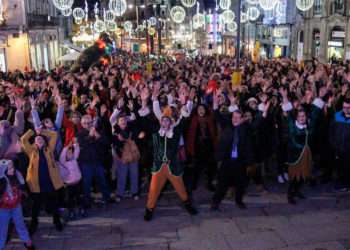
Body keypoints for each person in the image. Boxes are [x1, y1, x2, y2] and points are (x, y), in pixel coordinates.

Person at [143, 90, 198, 221]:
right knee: (153, 190)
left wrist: (187, 102)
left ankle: (188, 205)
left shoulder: (176, 132)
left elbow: (185, 120)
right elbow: (145, 121)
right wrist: (147, 102)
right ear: (161, 122)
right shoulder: (157, 133)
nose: (165, 123)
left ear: (171, 123)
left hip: (173, 166)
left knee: (181, 188)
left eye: (167, 121)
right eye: (163, 121)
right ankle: (149, 209)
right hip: (158, 167)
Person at [211, 91, 254, 210]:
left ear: (242, 119)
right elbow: (217, 115)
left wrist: (249, 162)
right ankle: (216, 202)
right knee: (222, 184)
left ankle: (239, 201)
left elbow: (248, 146)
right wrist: (215, 103)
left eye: (238, 118)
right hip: (227, 160)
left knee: (241, 184)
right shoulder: (227, 125)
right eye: (233, 117)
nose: (235, 119)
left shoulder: (245, 129)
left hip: (240, 161)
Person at [281, 88, 325, 204]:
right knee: (295, 177)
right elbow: (289, 112)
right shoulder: (292, 125)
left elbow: (315, 112)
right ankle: (290, 194)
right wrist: (284, 97)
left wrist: (320, 96)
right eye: (300, 117)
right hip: (295, 156)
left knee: (303, 176)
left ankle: (297, 191)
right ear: (297, 117)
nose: (302, 118)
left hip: (306, 155)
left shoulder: (309, 125)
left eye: (303, 116)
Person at [21, 129, 64, 235]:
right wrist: (32, 131)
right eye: (37, 139)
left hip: (50, 182)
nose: (39, 139)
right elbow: (23, 139)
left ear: (44, 141)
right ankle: (34, 224)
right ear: (34, 142)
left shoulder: (49, 149)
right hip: (37, 183)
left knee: (54, 203)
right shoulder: (31, 151)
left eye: (41, 138)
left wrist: (42, 131)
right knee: (36, 206)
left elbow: (54, 135)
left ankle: (57, 221)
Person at [77, 114, 110, 210]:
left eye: (89, 123)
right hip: (86, 163)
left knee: (102, 181)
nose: (87, 125)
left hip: (98, 162)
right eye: (85, 123)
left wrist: (97, 136)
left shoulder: (98, 131)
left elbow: (106, 143)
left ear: (92, 123)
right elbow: (83, 144)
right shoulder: (80, 134)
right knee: (86, 184)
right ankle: (87, 202)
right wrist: (90, 136)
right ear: (82, 124)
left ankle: (106, 198)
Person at [0, 159, 34, 250]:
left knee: (21, 225)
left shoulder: (17, 176)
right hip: (4, 209)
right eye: (9, 168)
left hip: (16, 206)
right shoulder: (1, 180)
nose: (12, 170)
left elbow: (22, 188)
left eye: (12, 167)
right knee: (2, 230)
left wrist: (22, 194)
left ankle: (27, 242)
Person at [330, 97, 350, 192]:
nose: (346, 109)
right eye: (344, 107)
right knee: (339, 167)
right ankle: (341, 184)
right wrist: (334, 145)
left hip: (348, 149)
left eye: (348, 107)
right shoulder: (337, 116)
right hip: (338, 148)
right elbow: (331, 132)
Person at [59, 141, 82, 220]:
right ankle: (70, 211)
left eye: (71, 153)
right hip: (69, 185)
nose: (70, 155)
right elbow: (62, 155)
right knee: (69, 199)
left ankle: (79, 209)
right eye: (68, 154)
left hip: (77, 183)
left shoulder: (74, 160)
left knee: (78, 197)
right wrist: (66, 148)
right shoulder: (63, 162)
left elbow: (77, 151)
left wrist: (75, 144)